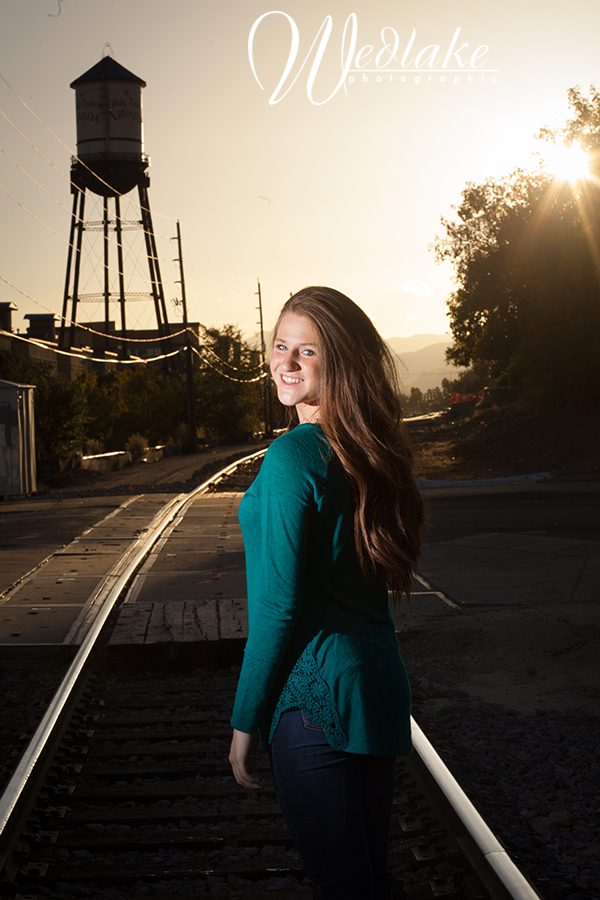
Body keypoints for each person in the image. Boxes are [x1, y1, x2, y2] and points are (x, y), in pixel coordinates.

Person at [229, 286, 425, 900]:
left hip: (316, 702)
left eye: (306, 351)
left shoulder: (293, 457)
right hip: (376, 685)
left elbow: (278, 609)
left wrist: (245, 721)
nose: (284, 362)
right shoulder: (368, 450)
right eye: (280, 345)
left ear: (336, 363)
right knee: (370, 880)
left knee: (341, 885)